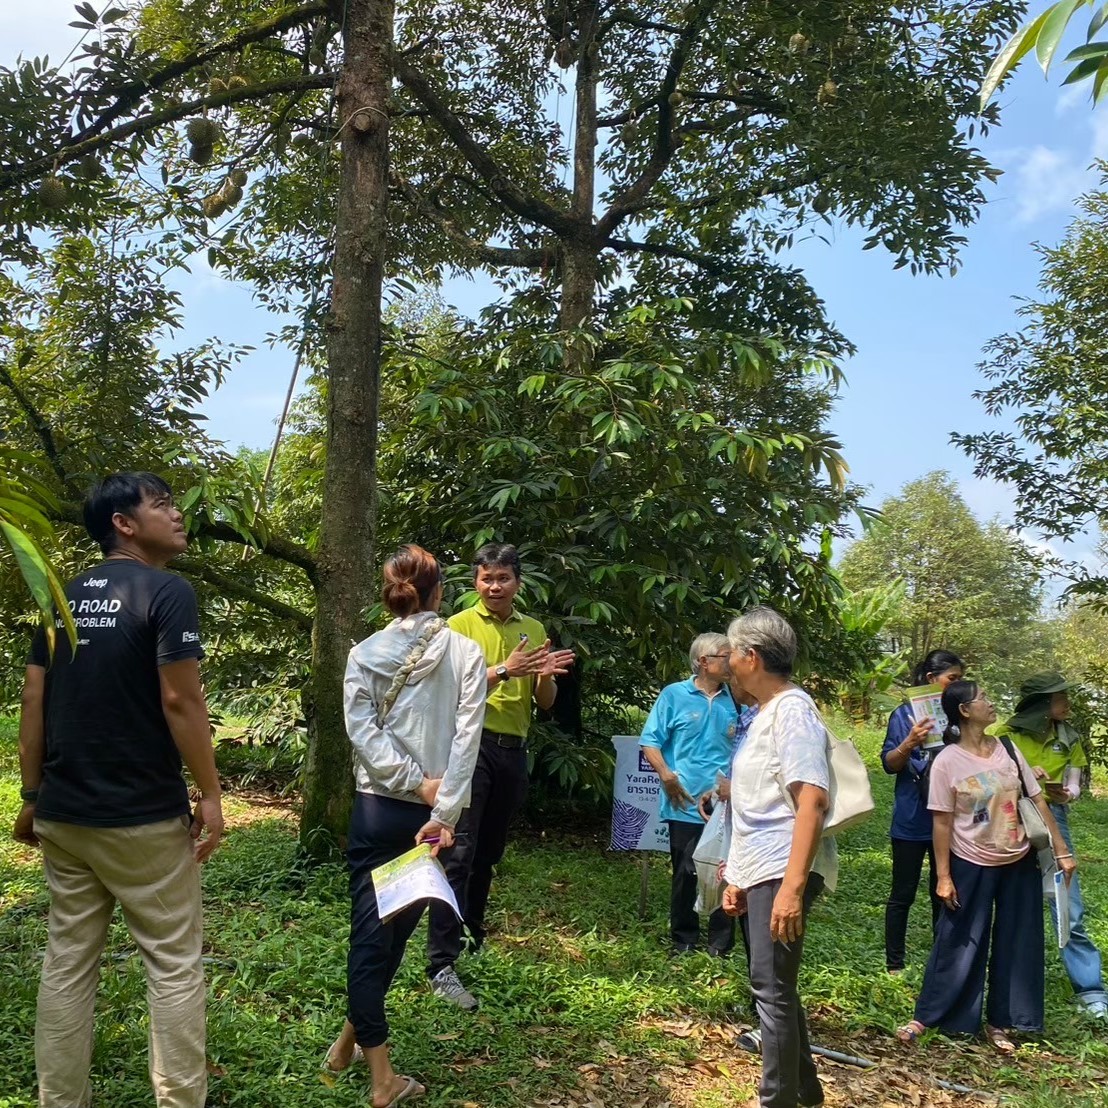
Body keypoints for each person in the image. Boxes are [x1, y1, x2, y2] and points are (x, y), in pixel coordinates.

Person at [12, 472, 224, 1108]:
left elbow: (32, 700)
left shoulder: (58, 595)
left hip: (66, 814)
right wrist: (210, 794)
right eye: (161, 504)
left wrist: (29, 797)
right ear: (125, 525)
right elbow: (180, 699)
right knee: (173, 963)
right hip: (141, 819)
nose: (178, 513)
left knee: (68, 962)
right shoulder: (166, 591)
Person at [324, 544, 485, 1106]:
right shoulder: (466, 653)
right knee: (383, 940)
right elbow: (468, 741)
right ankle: (382, 1082)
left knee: (379, 938)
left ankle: (348, 1043)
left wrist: (410, 782)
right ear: (439, 592)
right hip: (431, 820)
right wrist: (440, 808)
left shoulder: (363, 652)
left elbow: (362, 735)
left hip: (377, 808)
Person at [426, 542, 574, 1010]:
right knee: (459, 850)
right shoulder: (456, 627)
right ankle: (440, 963)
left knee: (489, 851)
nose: (494, 587)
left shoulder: (532, 629)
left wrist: (545, 675)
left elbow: (545, 703)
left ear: (517, 582)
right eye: (486, 578)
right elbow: (446, 690)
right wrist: (505, 670)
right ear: (475, 581)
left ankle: (472, 931)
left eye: (503, 578)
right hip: (470, 747)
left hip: (514, 749)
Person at [898, 681, 1076, 1053]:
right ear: (964, 711)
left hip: (1018, 859)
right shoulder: (947, 760)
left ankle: (1002, 1023)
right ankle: (931, 1016)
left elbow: (1039, 802)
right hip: (970, 861)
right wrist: (943, 876)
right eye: (985, 699)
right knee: (959, 941)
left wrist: (1062, 852)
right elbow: (942, 822)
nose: (992, 703)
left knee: (1018, 939)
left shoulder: (1007, 749)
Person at [722, 607, 833, 1108]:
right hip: (763, 868)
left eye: (731, 653)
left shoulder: (792, 710)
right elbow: (759, 804)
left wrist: (790, 886)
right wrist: (738, 876)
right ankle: (806, 1092)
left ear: (751, 656)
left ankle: (777, 1099)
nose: (726, 662)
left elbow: (811, 797)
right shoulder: (768, 712)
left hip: (783, 868)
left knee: (770, 990)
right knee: (776, 985)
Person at [996, 673, 1107, 1019]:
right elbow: (987, 777)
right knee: (1010, 900)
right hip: (1008, 816)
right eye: (1061, 698)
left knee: (1067, 904)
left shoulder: (1069, 737)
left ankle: (1090, 990)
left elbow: (1074, 786)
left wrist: (1066, 792)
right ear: (1041, 704)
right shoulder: (1004, 735)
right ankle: (1007, 984)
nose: (1067, 704)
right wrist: (1025, 774)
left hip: (1052, 818)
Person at [640, 632, 739, 956]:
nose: (732, 661)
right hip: (683, 801)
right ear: (703, 662)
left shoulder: (737, 697)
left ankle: (720, 945)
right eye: (725, 656)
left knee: (726, 872)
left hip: (725, 803)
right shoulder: (674, 695)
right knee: (686, 872)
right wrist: (667, 776)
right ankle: (683, 940)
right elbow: (650, 741)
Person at [881, 649, 965, 973]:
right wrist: (909, 742)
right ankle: (895, 964)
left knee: (942, 892)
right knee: (902, 893)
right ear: (931, 680)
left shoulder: (959, 716)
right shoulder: (903, 716)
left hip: (949, 819)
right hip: (911, 819)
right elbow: (890, 764)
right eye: (952, 679)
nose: (956, 685)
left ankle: (942, 962)